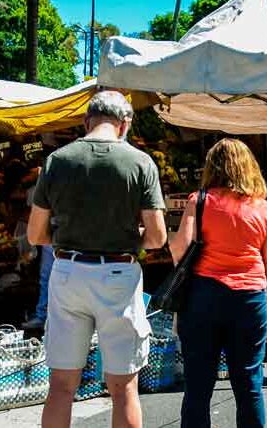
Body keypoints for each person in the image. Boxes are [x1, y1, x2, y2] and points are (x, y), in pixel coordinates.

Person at [28, 91, 167, 428]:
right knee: (124, 388)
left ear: (86, 121)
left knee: (61, 386)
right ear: (125, 124)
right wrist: (129, 240)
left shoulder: (58, 160)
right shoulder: (140, 162)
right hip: (119, 273)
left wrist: (64, 240)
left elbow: (35, 235)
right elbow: (158, 237)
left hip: (68, 271)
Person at [169, 138, 267, 428]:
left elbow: (179, 249)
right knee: (249, 384)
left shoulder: (201, 201)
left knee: (198, 385)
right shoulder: (265, 210)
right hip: (251, 299)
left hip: (204, 297)